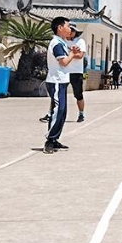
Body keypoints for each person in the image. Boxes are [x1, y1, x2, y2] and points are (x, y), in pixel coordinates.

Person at [43, 16, 79, 154]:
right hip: (56, 81)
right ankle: (49, 140)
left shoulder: (61, 42)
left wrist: (72, 53)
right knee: (59, 110)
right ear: (60, 27)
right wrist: (72, 54)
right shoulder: (56, 43)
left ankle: (55, 139)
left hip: (61, 81)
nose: (70, 29)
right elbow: (63, 62)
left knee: (62, 112)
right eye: (68, 26)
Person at [66, 24, 87, 122]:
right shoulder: (62, 41)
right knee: (57, 93)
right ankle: (51, 113)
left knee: (78, 94)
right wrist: (72, 53)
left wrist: (69, 54)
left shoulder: (80, 41)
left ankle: (81, 114)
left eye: (72, 30)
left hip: (76, 72)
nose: (70, 32)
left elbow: (80, 55)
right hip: (64, 71)